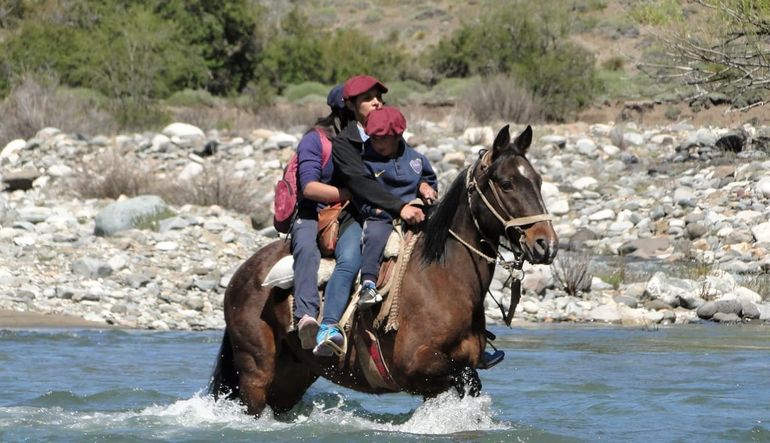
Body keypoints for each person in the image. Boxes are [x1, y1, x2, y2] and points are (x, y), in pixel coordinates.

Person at [313, 75, 427, 355]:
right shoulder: (344, 143)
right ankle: (328, 327)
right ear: (350, 105)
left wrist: (424, 185)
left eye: (378, 96)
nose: (376, 101)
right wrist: (399, 207)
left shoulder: (390, 128)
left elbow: (411, 165)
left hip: (408, 207)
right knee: (349, 260)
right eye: (367, 98)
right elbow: (361, 184)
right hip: (363, 214)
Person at [292, 85, 353, 356]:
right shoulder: (315, 140)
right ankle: (305, 316)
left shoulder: (362, 140)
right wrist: (351, 193)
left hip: (348, 213)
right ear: (342, 111)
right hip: (311, 213)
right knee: (306, 249)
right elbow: (309, 187)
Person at [355, 106, 438, 307]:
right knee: (374, 236)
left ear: (398, 135)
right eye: (374, 138)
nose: (378, 143)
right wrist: (376, 211)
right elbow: (361, 192)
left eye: (383, 138)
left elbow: (427, 178)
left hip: (415, 209)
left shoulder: (415, 159)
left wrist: (426, 188)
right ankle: (368, 284)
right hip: (380, 213)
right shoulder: (364, 160)